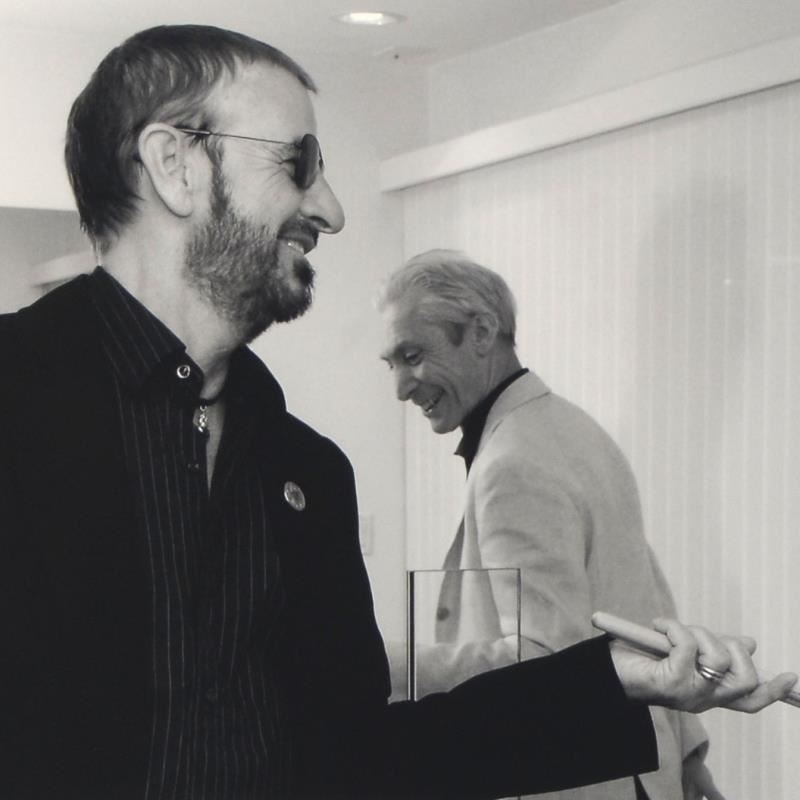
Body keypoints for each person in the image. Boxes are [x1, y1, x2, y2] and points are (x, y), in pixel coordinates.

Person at [0, 25, 794, 800]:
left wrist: (609, 679)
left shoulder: (305, 470)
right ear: (174, 165)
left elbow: (363, 755)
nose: (332, 209)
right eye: (299, 163)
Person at [376, 250, 785, 800]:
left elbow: (547, 660)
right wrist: (687, 756)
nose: (401, 387)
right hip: (644, 772)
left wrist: (383, 664)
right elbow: (648, 602)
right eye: (391, 364)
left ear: (482, 332)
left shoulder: (513, 462)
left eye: (413, 355)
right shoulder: (576, 429)